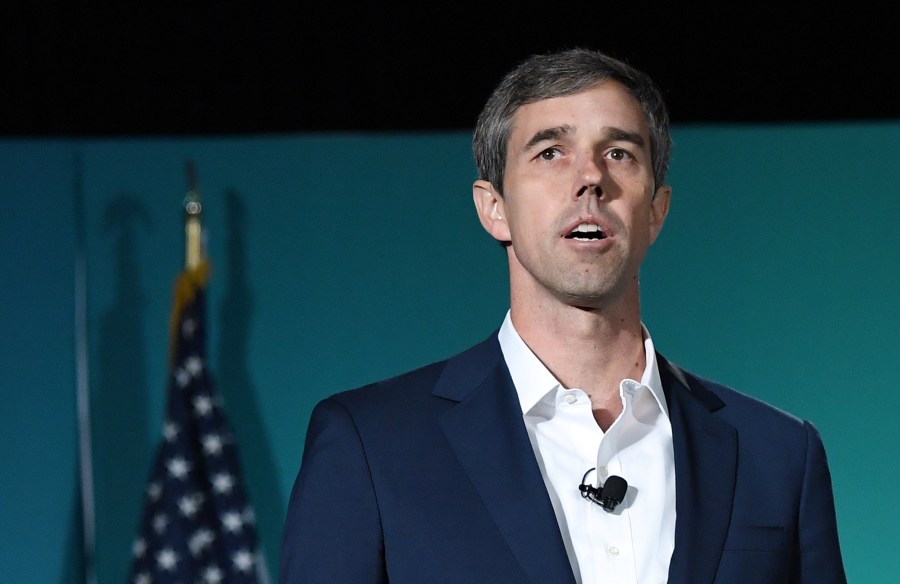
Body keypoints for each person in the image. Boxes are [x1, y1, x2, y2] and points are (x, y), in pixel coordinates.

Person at [280, 48, 846, 583]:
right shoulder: (371, 446)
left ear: (655, 211)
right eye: (551, 152)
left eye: (619, 152)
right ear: (494, 207)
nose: (591, 178)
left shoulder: (779, 456)